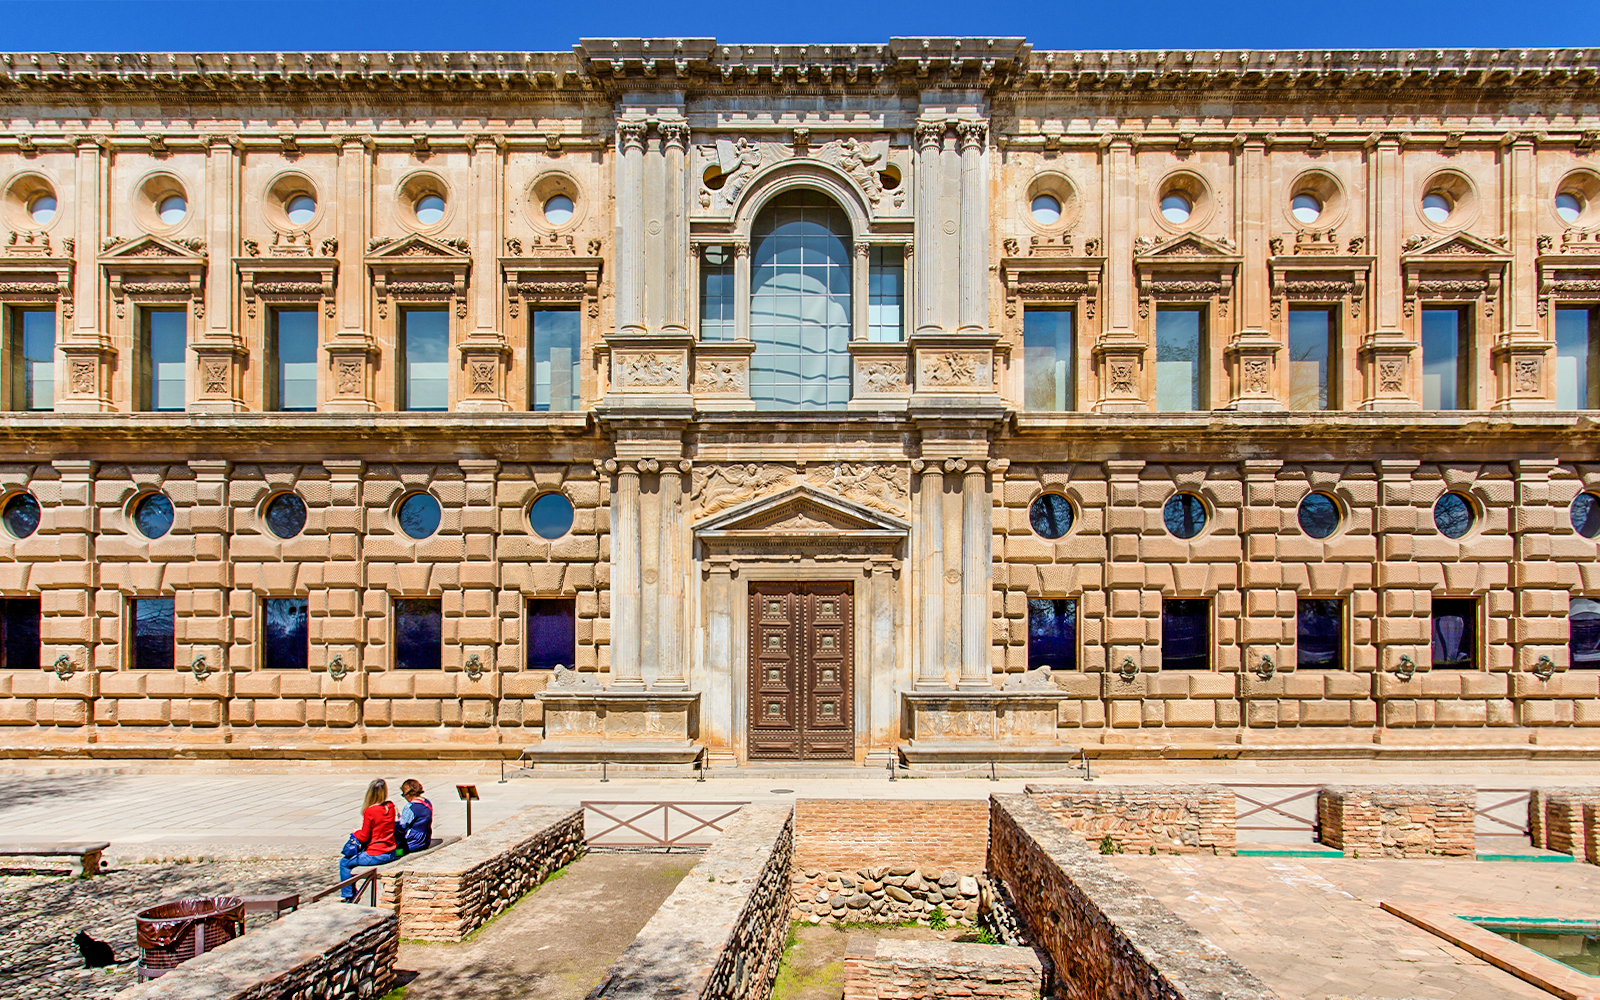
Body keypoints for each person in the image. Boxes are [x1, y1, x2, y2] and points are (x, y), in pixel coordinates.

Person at [338, 778, 397, 901]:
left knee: (344, 863)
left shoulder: (370, 811)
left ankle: (348, 896)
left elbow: (364, 837)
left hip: (376, 854)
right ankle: (352, 893)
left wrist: (355, 832)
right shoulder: (390, 806)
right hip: (391, 852)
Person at [395, 778, 434, 855]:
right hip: (425, 841)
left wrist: (396, 816)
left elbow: (401, 828)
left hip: (412, 843)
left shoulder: (410, 807)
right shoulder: (427, 802)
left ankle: (397, 853)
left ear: (408, 794)